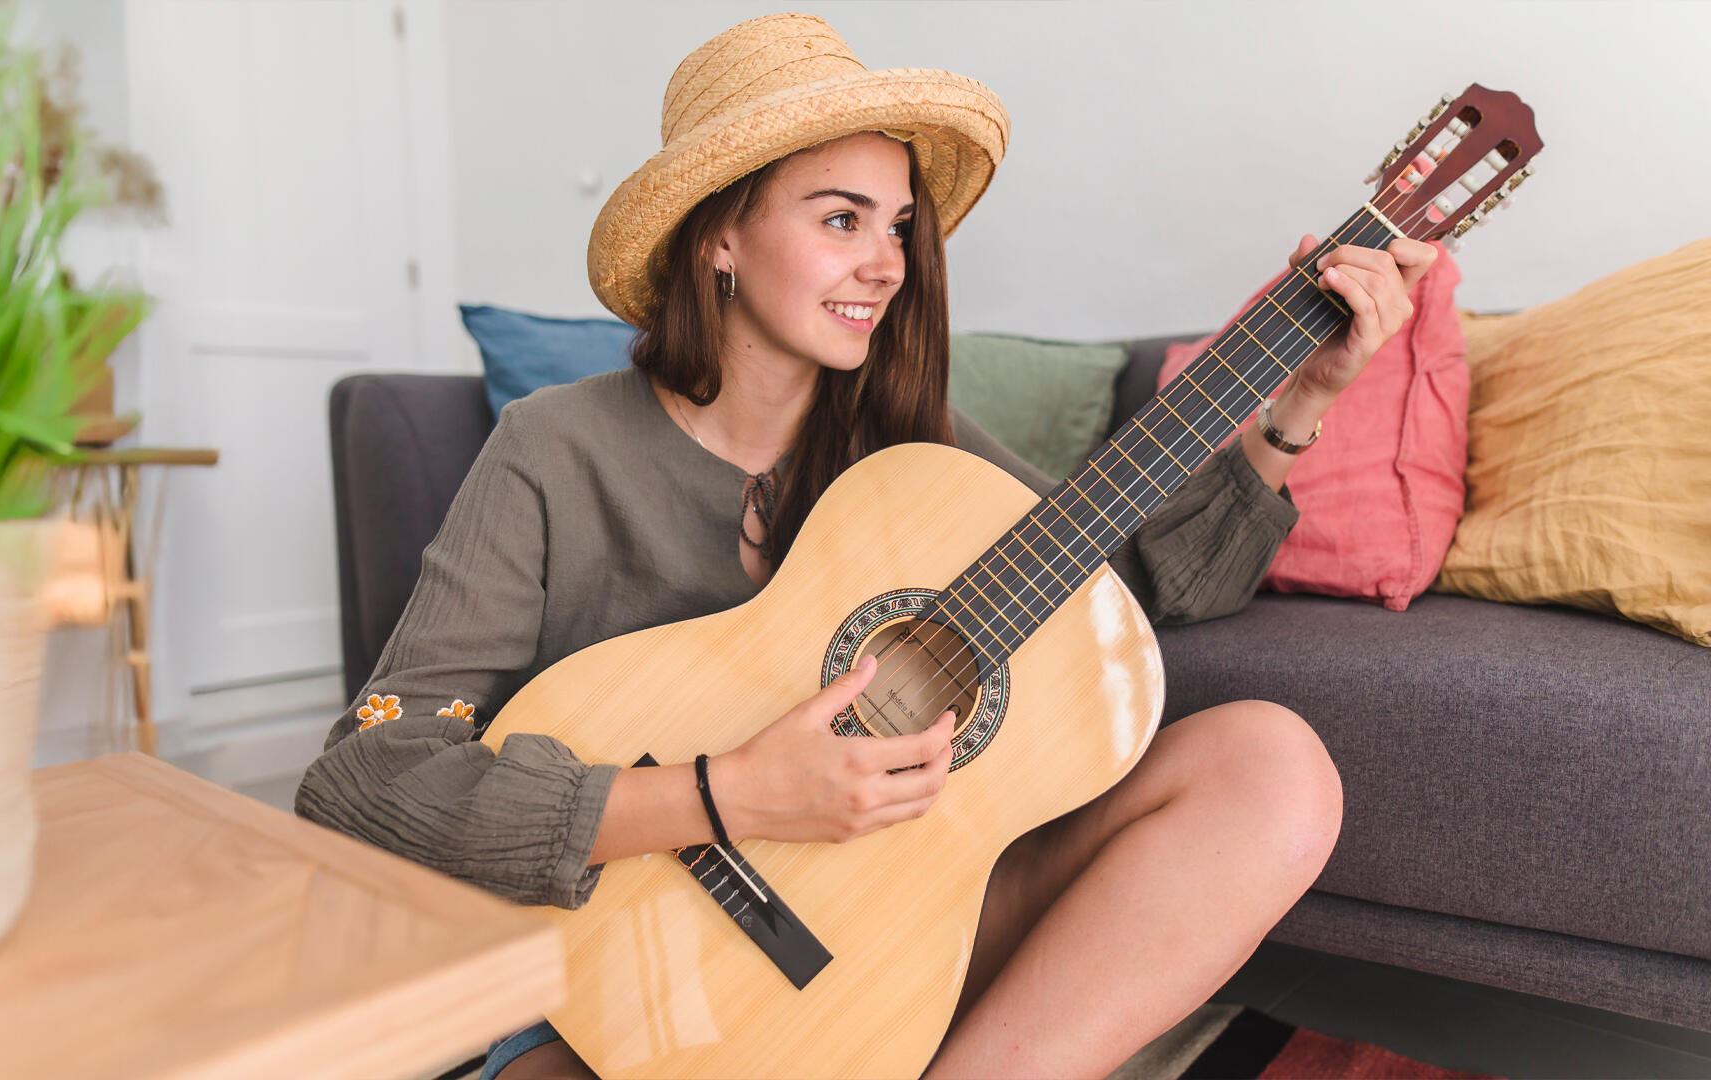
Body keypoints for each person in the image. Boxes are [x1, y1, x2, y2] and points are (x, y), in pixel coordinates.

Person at [295, 12, 1438, 1079]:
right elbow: (365, 774)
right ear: (722, 238)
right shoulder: (554, 450)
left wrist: (1299, 404)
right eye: (840, 218)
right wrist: (730, 792)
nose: (887, 264)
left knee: (1273, 765)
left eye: (897, 227)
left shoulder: (914, 450)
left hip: (885, 943)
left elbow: (1131, 596)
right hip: (615, 975)